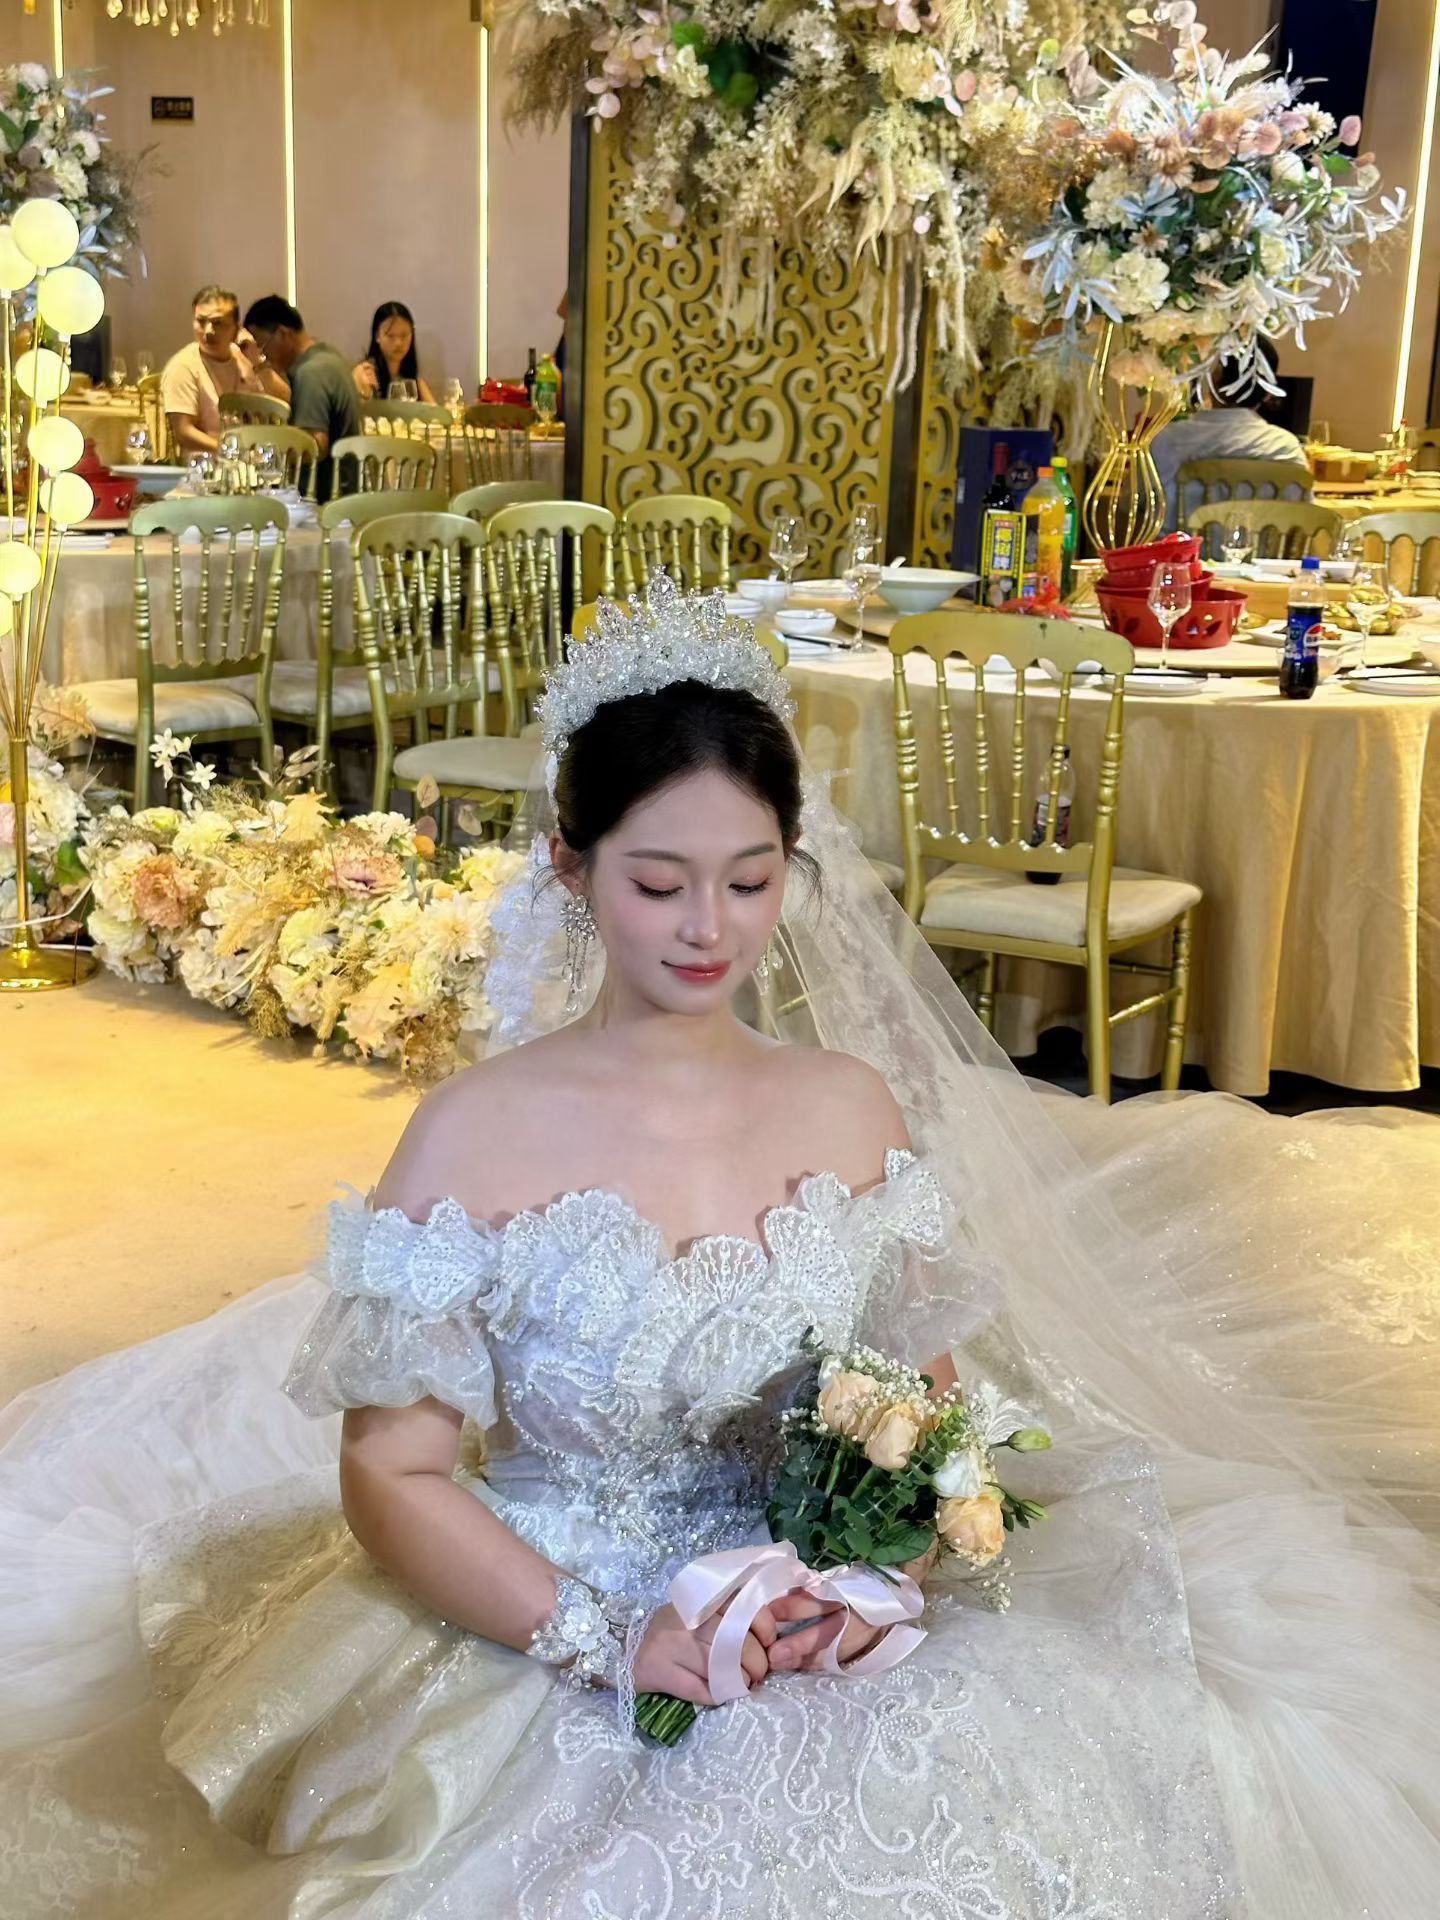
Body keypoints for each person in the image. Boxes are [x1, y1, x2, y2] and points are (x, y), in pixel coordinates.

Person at [0, 576, 1438, 1917]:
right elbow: (393, 1471)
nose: (708, 929)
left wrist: (875, 1579)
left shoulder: (849, 1108)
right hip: (555, 1618)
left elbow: (921, 1408)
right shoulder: (473, 1135)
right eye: (659, 882)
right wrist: (605, 1637)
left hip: (813, 1605)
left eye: (750, 882)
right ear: (570, 869)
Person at [1152, 366, 1307, 530]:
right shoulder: (1286, 447)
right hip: (1263, 546)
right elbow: (1305, 517)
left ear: (1212, 386)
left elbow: (1140, 502)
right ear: (1266, 394)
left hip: (1182, 546)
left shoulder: (1168, 438)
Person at [242, 294, 363, 500]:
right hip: (347, 486)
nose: (264, 356)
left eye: (262, 345)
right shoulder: (328, 355)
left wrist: (263, 457)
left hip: (324, 496)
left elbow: (314, 447)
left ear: (282, 333)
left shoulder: (311, 372)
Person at [159, 284, 290, 458]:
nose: (208, 331)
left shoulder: (243, 356)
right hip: (206, 463)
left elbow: (284, 401)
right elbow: (183, 432)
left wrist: (257, 363)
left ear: (236, 329)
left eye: (218, 323)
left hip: (251, 461)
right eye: (201, 321)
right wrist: (232, 451)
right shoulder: (183, 366)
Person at [352, 299, 436, 404]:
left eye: (404, 335)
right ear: (377, 336)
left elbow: (435, 412)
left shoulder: (414, 379)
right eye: (390, 336)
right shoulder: (366, 373)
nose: (398, 343)